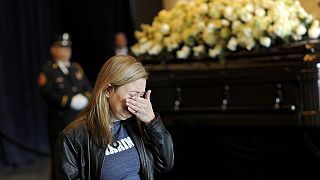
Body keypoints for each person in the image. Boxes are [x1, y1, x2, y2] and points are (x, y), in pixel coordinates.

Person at [54, 55, 174, 179]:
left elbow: (166, 164)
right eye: (133, 94)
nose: (137, 101)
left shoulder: (139, 123)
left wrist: (152, 122)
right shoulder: (73, 136)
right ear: (108, 90)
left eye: (141, 94)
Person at [37, 32, 92, 179]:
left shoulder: (76, 68)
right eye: (62, 47)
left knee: (82, 159)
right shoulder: (48, 71)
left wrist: (85, 98)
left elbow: (88, 87)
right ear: (53, 50)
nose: (67, 51)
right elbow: (47, 93)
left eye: (68, 47)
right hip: (60, 123)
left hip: (80, 120)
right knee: (62, 162)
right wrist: (69, 101)